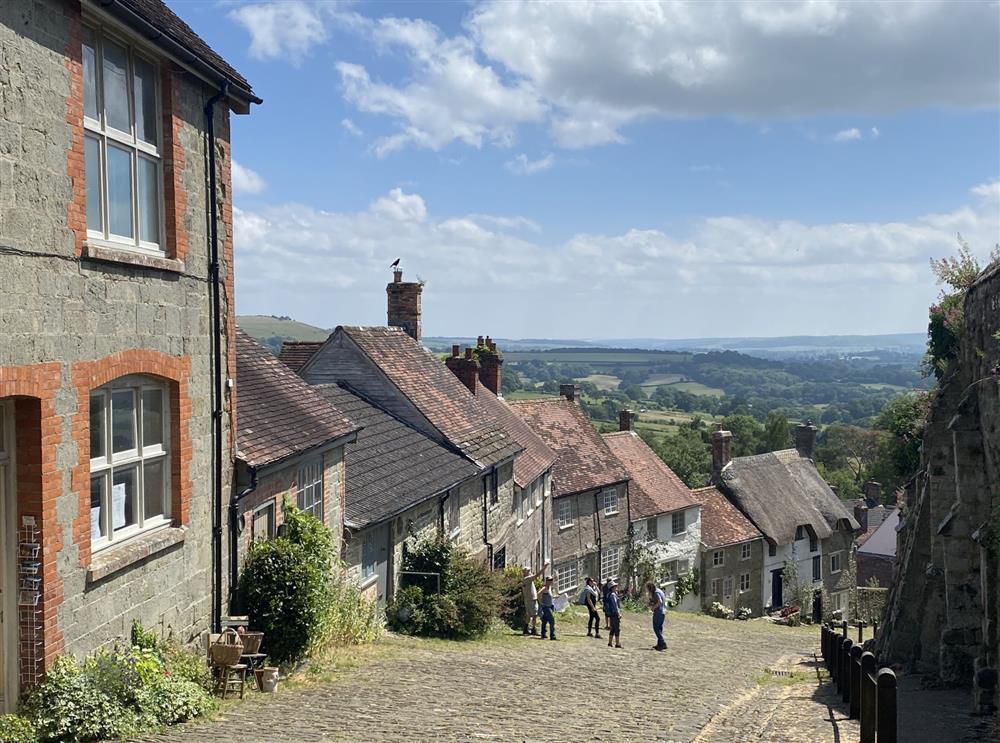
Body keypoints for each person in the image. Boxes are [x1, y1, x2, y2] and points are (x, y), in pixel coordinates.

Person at [521, 564, 545, 636]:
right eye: (528, 571)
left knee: (528, 615)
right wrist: (544, 567)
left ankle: (526, 629)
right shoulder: (527, 579)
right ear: (525, 572)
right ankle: (533, 629)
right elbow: (537, 575)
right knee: (534, 615)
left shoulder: (524, 580)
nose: (530, 572)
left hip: (527, 599)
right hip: (531, 600)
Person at [647, 581, 667, 651]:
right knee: (659, 628)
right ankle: (659, 644)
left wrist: (653, 607)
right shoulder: (659, 591)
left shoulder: (656, 593)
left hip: (658, 612)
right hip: (663, 612)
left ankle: (663, 643)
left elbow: (660, 601)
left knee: (656, 628)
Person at [604, 581, 622, 648]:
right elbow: (615, 605)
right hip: (614, 614)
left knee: (612, 628)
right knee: (617, 629)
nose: (616, 587)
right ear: (612, 587)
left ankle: (610, 643)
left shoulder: (608, 594)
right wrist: (618, 613)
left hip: (611, 614)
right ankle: (617, 644)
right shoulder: (613, 595)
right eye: (615, 586)